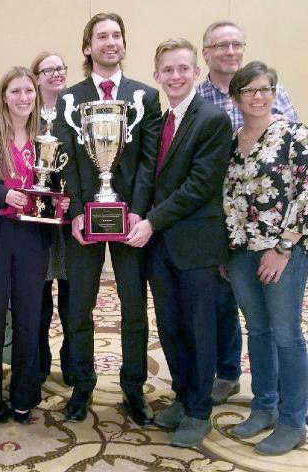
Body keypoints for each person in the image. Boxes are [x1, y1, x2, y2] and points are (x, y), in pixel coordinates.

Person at [54, 12, 161, 425]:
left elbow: (149, 162)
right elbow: (66, 163)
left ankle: (133, 388)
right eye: (102, 36)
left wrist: (136, 211)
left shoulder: (144, 97)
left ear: (123, 44)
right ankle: (82, 386)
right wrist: (78, 212)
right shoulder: (68, 98)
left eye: (117, 35)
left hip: (131, 220)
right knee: (78, 308)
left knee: (134, 307)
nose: (110, 42)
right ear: (88, 47)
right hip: (84, 222)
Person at [198, 20, 300, 405]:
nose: (229, 51)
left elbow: (296, 177)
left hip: (278, 240)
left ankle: (289, 406)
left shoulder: (281, 112)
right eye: (220, 45)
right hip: (232, 235)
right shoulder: (200, 99)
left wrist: (287, 242)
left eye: (235, 44)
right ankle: (241, 382)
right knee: (239, 316)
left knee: (283, 328)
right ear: (205, 53)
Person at [0, 66, 68, 424]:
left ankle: (25, 395)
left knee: (30, 319)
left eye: (28, 91)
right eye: (16, 91)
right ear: (4, 95)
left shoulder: (48, 137)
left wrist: (60, 203)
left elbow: (52, 186)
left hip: (32, 239)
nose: (23, 98)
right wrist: (2, 193)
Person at [144, 39, 232, 447]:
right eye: (168, 70)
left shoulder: (211, 119)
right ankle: (182, 396)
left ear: (196, 72)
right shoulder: (164, 119)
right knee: (171, 326)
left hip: (196, 246)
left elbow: (199, 186)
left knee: (199, 329)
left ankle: (199, 411)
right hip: (162, 246)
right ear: (157, 75)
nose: (175, 76)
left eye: (183, 68)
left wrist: (150, 221)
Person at [224, 61, 307, 455]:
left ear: (274, 92)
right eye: (250, 90)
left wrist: (284, 247)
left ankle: (294, 420)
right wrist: (227, 249)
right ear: (236, 97)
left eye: (266, 88)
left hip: (283, 252)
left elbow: (306, 193)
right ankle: (264, 407)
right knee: (257, 331)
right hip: (240, 252)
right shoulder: (232, 139)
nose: (258, 96)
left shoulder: (293, 134)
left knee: (287, 335)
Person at [31, 51, 71, 385]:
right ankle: (39, 364)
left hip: (70, 221)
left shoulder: (74, 111)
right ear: (36, 76)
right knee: (39, 301)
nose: (56, 74)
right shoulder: (26, 114)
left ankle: (72, 364)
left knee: (73, 301)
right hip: (36, 220)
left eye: (61, 68)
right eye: (49, 69)